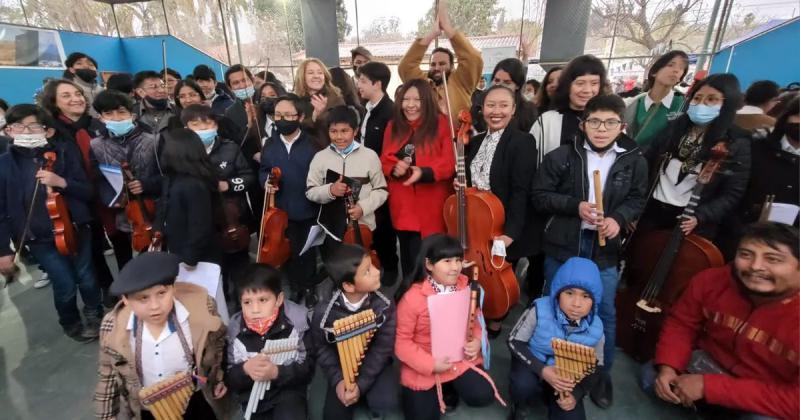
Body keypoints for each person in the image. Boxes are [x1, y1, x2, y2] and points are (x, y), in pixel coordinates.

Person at [532, 94, 649, 408]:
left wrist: (618, 219)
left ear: (621, 126)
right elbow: (540, 196)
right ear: (583, 125)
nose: (601, 128)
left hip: (604, 249)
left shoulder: (634, 159)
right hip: (564, 244)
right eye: (594, 122)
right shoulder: (561, 156)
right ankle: (547, 369)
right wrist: (576, 206)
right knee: (554, 307)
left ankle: (599, 375)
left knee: (604, 312)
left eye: (610, 122)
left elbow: (637, 199)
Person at [644, 222, 799, 420]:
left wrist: (710, 388)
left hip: (769, 387)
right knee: (651, 378)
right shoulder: (711, 280)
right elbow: (682, 323)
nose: (755, 266)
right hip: (713, 362)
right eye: (746, 254)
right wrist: (669, 367)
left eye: (773, 259)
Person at [0, 104, 103, 341]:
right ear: (9, 131)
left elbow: (88, 191)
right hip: (39, 238)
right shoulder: (4, 165)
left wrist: (61, 182)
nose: (26, 132)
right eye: (19, 127)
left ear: (48, 131)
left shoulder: (64, 154)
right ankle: (70, 320)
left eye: (34, 126)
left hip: (76, 228)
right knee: (64, 282)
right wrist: (3, 250)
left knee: (86, 276)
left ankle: (94, 312)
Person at [94, 252, 228, 420]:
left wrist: (218, 378)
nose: (155, 306)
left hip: (193, 401)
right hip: (147, 410)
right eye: (143, 298)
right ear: (126, 300)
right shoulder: (113, 326)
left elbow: (217, 345)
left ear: (173, 288)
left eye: (162, 293)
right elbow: (107, 377)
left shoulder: (200, 311)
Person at [395, 233, 504, 418]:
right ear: (429, 265)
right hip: (426, 363)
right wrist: (430, 364)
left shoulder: (466, 286)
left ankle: (449, 385)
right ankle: (440, 388)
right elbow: (402, 343)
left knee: (483, 396)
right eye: (447, 261)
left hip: (458, 359)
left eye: (458, 260)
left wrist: (477, 340)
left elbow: (476, 319)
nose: (455, 267)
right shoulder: (412, 299)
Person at [463, 85, 539, 336]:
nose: (496, 111)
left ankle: (497, 316)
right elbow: (473, 181)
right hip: (478, 220)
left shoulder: (523, 141)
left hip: (504, 222)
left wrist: (510, 233)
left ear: (514, 109)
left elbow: (521, 191)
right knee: (476, 269)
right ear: (482, 109)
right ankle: (476, 310)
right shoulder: (474, 141)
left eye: (503, 105)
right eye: (491, 105)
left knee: (500, 273)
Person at [639, 73, 751, 242]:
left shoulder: (736, 142)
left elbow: (732, 193)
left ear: (727, 104)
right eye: (697, 98)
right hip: (653, 210)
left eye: (712, 100)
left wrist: (701, 216)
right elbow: (648, 161)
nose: (701, 104)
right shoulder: (674, 128)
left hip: (691, 218)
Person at [39, 79, 117, 303]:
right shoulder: (52, 131)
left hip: (106, 189)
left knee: (118, 237)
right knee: (91, 250)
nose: (75, 98)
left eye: (78, 93)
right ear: (54, 102)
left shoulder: (97, 125)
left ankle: (127, 283)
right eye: (66, 95)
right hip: (76, 197)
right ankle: (107, 289)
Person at [508, 257, 605, 420]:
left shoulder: (597, 328)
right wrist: (542, 370)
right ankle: (519, 404)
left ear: (594, 301)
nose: (576, 303)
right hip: (533, 363)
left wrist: (577, 393)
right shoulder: (539, 309)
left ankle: (551, 397)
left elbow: (596, 366)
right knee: (522, 385)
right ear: (558, 293)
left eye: (586, 296)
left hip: (566, 378)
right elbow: (514, 342)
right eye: (569, 293)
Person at [311, 243, 399, 420]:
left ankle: (365, 394)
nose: (376, 271)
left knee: (386, 400)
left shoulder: (384, 303)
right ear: (349, 286)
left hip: (375, 362)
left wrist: (362, 384)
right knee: (333, 416)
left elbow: (383, 348)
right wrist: (338, 380)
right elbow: (321, 348)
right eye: (367, 271)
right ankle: (354, 393)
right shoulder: (324, 312)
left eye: (373, 265)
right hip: (342, 367)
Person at [380, 79, 454, 285]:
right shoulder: (393, 126)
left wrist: (423, 172)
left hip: (433, 205)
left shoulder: (442, 124)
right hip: (403, 205)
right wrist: (396, 168)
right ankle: (410, 296)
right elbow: (385, 158)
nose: (410, 105)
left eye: (417, 99)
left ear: (427, 101)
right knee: (409, 258)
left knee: (434, 259)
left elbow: (449, 163)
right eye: (406, 99)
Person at [182, 104, 255, 305]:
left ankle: (243, 304)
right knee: (212, 272)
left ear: (216, 125)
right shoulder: (182, 154)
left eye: (207, 123)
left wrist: (228, 185)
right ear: (186, 128)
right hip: (203, 223)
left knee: (240, 268)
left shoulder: (230, 148)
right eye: (196, 125)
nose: (203, 129)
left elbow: (248, 177)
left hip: (233, 219)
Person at [225, 263, 313, 420]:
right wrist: (245, 369)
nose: (255, 309)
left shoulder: (297, 323)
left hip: (288, 392)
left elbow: (307, 368)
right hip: (252, 396)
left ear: (279, 299)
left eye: (263, 300)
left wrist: (277, 372)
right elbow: (230, 377)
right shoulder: (235, 331)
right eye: (247, 302)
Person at [717, 97, 799, 259]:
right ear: (787, 116)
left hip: (789, 247)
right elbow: (732, 191)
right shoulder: (757, 147)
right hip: (738, 237)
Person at [259, 94, 321, 307]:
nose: (282, 119)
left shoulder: (314, 142)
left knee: (307, 251)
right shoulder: (270, 143)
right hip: (282, 210)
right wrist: (266, 182)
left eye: (288, 115)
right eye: (278, 115)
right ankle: (295, 287)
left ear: (300, 116)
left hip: (309, 208)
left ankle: (310, 287)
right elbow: (264, 170)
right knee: (288, 252)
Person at [89, 90, 161, 272]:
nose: (116, 118)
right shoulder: (96, 145)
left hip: (156, 207)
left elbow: (166, 174)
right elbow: (98, 179)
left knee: (162, 254)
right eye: (109, 113)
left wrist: (146, 184)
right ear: (101, 117)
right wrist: (113, 199)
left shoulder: (153, 139)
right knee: (136, 259)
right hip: (126, 213)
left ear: (132, 115)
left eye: (121, 112)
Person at [306, 105, 388, 252]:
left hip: (363, 228)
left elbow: (381, 189)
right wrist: (330, 190)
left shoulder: (370, 156)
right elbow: (310, 191)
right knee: (336, 268)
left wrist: (363, 208)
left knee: (363, 268)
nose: (338, 137)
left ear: (355, 131)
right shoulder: (320, 158)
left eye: (344, 131)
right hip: (331, 228)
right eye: (333, 131)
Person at [398, 0, 483, 130]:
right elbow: (405, 67)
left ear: (452, 66)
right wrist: (432, 34)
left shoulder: (461, 81)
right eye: (433, 64)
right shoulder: (422, 82)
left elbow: (473, 59)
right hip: (427, 143)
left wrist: (448, 28)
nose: (437, 68)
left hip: (458, 145)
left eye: (442, 63)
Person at [356, 61, 400, 286]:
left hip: (382, 179)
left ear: (377, 84)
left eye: (363, 81)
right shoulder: (367, 109)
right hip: (366, 178)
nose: (358, 85)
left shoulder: (390, 112)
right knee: (371, 223)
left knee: (384, 226)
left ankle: (391, 267)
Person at [157, 128, 222, 267]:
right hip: (180, 249)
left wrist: (189, 258)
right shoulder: (173, 177)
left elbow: (200, 225)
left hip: (197, 258)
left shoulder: (192, 184)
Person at [531, 55, 607, 164]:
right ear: (567, 85)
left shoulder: (611, 121)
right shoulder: (548, 121)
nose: (587, 90)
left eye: (594, 83)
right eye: (580, 83)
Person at [623, 50, 689, 148]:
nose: (676, 70)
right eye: (671, 65)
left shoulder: (682, 105)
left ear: (680, 78)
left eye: (681, 68)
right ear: (654, 72)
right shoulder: (633, 103)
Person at [472, 58, 538, 133]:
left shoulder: (527, 111)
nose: (500, 85)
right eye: (497, 80)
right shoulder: (479, 104)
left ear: (518, 85)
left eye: (507, 82)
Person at [293, 58, 346, 139]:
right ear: (302, 77)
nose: (316, 76)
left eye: (320, 73)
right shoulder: (295, 101)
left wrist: (319, 116)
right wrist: (313, 117)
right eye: (310, 73)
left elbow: (341, 129)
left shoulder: (335, 98)